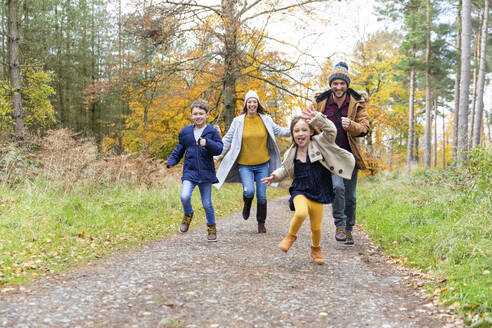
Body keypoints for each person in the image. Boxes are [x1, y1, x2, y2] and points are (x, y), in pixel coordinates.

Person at [262, 107, 355, 264]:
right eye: (296, 131)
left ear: (311, 132)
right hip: (300, 190)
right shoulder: (291, 152)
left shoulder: (320, 142)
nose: (300, 134)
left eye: (304, 130)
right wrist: (275, 176)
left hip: (319, 192)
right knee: (300, 213)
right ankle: (291, 236)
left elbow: (331, 130)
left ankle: (316, 248)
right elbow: (285, 168)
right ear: (293, 134)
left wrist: (318, 118)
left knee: (316, 228)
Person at [214, 90, 290, 233]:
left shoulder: (266, 119)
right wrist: (215, 155)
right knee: (249, 192)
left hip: (263, 165)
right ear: (246, 104)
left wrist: (296, 129)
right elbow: (227, 139)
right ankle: (247, 204)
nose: (252, 104)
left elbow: (279, 131)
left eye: (254, 101)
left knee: (262, 196)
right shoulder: (238, 121)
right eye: (249, 101)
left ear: (258, 104)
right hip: (245, 166)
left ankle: (261, 223)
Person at [312, 61, 370, 245]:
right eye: (335, 83)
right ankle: (340, 226)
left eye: (342, 83)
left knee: (351, 197)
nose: (338, 87)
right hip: (330, 155)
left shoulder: (357, 103)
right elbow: (309, 125)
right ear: (331, 84)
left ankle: (350, 229)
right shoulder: (321, 102)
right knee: (337, 188)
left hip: (350, 156)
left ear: (347, 85)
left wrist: (351, 126)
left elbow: (365, 128)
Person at [166, 99, 223, 242]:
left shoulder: (212, 132)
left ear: (207, 115)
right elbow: (179, 150)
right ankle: (188, 214)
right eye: (195, 114)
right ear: (191, 115)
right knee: (184, 196)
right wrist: (172, 161)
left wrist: (207, 143)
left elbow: (219, 149)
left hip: (206, 173)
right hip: (190, 172)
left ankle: (211, 228)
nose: (198, 116)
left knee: (207, 204)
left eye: (201, 113)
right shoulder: (186, 132)